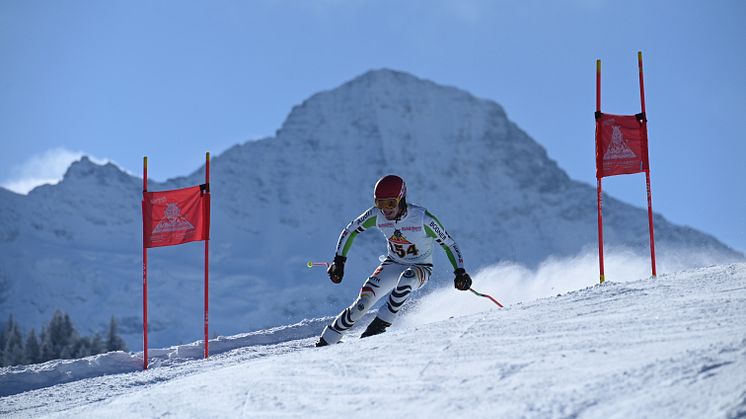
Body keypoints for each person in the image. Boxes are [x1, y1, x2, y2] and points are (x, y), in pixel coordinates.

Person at [316, 174, 473, 347]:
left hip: (420, 267)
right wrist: (339, 261)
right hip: (393, 263)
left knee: (406, 280)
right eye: (380, 203)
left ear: (401, 199)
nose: (385, 210)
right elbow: (350, 231)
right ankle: (327, 339)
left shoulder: (422, 219)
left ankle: (378, 327)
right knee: (362, 304)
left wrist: (460, 271)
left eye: (390, 203)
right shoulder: (377, 216)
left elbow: (449, 244)